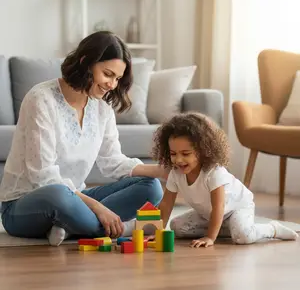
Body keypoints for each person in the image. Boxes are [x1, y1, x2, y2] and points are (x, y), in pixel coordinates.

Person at [0, 31, 166, 246]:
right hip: (24, 204)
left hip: (76, 200)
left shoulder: (101, 108)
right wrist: (98, 208)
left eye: (117, 79)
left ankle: (71, 228)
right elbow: (42, 177)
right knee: (58, 195)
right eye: (107, 74)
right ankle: (119, 227)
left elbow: (112, 162)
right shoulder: (41, 99)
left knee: (151, 187)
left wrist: (163, 170)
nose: (112, 85)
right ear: (85, 62)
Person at [152, 112, 298, 247]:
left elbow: (219, 207)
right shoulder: (175, 173)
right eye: (173, 153)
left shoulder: (213, 172)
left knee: (242, 237)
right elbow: (166, 204)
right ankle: (227, 227)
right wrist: (158, 232)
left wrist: (210, 237)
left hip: (236, 208)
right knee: (177, 227)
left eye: (185, 153)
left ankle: (272, 229)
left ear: (202, 151)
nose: (178, 159)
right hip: (209, 214)